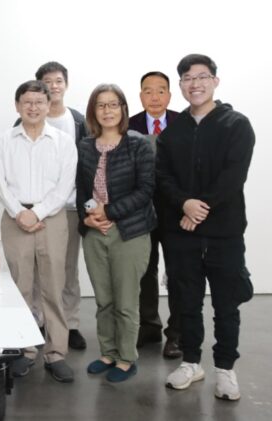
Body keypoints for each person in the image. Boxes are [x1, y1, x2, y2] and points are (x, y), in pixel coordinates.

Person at [158, 54, 255, 401]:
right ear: (181, 85)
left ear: (215, 81)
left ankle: (226, 369)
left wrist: (198, 209)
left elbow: (233, 176)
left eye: (201, 76)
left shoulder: (236, 125)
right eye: (187, 78)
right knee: (186, 302)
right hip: (181, 233)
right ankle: (191, 362)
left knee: (226, 305)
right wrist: (184, 203)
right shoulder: (173, 131)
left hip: (224, 232)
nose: (194, 83)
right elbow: (163, 176)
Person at [0, 80, 77, 383]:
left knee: (54, 286)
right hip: (15, 219)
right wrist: (21, 213)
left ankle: (56, 353)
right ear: (17, 105)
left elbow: (65, 185)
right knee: (21, 287)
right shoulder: (4, 140)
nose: (33, 107)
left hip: (52, 219)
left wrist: (37, 213)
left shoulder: (63, 141)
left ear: (48, 105)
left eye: (39, 102)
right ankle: (24, 349)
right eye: (27, 102)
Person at [77, 84, 156, 383]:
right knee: (104, 300)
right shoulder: (85, 146)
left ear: (123, 108)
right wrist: (88, 218)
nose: (107, 111)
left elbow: (145, 191)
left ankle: (126, 358)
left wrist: (108, 212)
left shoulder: (138, 144)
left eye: (113, 104)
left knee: (125, 302)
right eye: (101, 105)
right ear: (93, 111)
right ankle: (108, 353)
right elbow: (81, 188)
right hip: (95, 233)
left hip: (129, 232)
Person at [128, 71, 182, 359]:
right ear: (140, 96)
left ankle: (177, 334)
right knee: (144, 271)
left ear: (169, 95)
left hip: (176, 212)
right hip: (141, 211)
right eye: (148, 91)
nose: (155, 97)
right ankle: (148, 326)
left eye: (161, 90)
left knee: (178, 272)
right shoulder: (129, 125)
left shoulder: (184, 123)